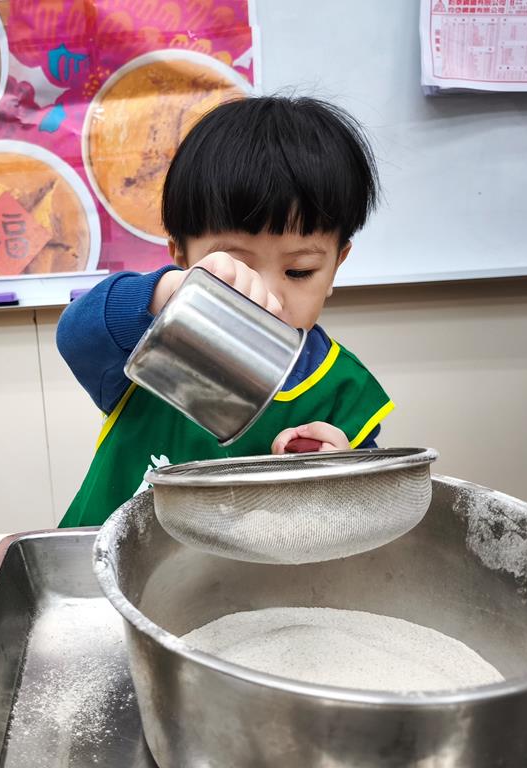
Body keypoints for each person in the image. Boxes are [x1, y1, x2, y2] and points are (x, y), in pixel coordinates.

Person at [57, 96, 393, 527]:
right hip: (102, 552)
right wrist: (169, 294)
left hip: (243, 566)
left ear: (335, 268)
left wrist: (341, 474)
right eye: (236, 268)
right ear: (182, 256)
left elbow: (365, 513)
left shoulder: (343, 390)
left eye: (299, 271)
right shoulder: (152, 340)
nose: (267, 296)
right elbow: (76, 333)